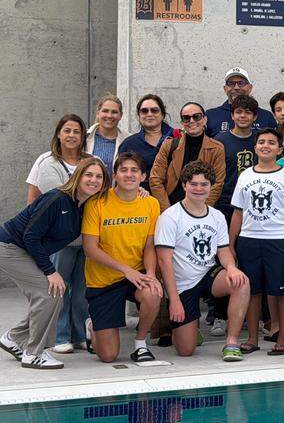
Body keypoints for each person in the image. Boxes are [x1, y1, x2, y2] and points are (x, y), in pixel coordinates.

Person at [0, 158, 107, 369]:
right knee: (50, 292)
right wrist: (50, 271)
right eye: (89, 174)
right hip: (9, 247)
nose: (93, 180)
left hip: (26, 251)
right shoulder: (57, 198)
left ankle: (14, 338)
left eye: (99, 176)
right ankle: (34, 354)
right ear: (78, 176)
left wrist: (141, 191)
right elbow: (30, 235)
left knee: (52, 294)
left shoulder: (85, 205)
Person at [155, 162, 250, 360]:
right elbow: (164, 262)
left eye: (204, 184)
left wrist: (231, 267)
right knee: (186, 350)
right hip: (182, 284)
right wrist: (174, 300)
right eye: (193, 184)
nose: (199, 188)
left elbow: (223, 250)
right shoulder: (170, 217)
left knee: (241, 282)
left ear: (211, 186)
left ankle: (232, 342)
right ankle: (189, 328)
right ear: (184, 185)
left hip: (208, 275)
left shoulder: (217, 216)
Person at [229, 128, 284, 355]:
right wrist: (231, 244)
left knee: (281, 291)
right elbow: (238, 213)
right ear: (255, 148)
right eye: (261, 142)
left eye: (271, 142)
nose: (265, 146)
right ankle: (252, 338)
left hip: (280, 240)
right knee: (251, 291)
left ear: (279, 149)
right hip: (249, 240)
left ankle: (283, 337)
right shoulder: (245, 176)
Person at [81, 152, 163, 363]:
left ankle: (140, 343)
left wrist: (151, 274)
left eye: (134, 170)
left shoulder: (151, 203)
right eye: (123, 170)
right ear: (115, 175)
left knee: (153, 292)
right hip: (104, 280)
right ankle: (92, 325)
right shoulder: (97, 203)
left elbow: (149, 246)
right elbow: (90, 249)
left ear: (143, 176)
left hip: (136, 275)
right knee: (108, 356)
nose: (129, 174)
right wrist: (126, 270)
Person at [27, 115, 90, 354]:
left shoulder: (90, 161)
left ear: (83, 136)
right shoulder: (47, 162)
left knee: (81, 291)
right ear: (59, 134)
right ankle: (60, 336)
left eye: (77, 131)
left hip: (86, 237)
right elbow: (45, 199)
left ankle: (79, 334)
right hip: (59, 240)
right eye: (67, 131)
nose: (72, 135)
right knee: (59, 289)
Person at [150, 102, 227, 211]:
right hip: (172, 207)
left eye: (196, 116)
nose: (191, 121)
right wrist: (167, 210)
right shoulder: (169, 145)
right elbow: (155, 179)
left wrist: (201, 211)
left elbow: (217, 184)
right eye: (186, 118)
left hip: (200, 209)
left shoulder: (216, 148)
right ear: (182, 122)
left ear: (204, 120)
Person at [214, 95, 261, 220]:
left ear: (255, 117)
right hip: (226, 203)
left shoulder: (261, 139)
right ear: (232, 115)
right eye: (238, 112)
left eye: (248, 112)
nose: (243, 116)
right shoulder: (220, 140)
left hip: (254, 201)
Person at [119, 95, 176, 190]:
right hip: (140, 196)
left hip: (175, 196)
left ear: (162, 115)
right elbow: (122, 175)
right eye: (144, 111)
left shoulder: (178, 138)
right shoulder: (129, 144)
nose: (149, 114)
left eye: (154, 110)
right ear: (138, 116)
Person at [205, 68, 276, 137]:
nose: (236, 87)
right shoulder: (211, 115)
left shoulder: (266, 116)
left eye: (241, 83)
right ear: (225, 88)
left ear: (250, 87)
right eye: (231, 83)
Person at [85, 94, 128, 168]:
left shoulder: (128, 140)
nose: (109, 116)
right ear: (98, 113)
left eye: (114, 112)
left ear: (121, 115)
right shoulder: (84, 137)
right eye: (105, 111)